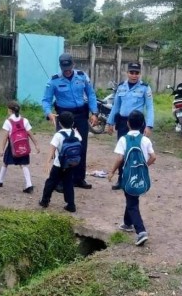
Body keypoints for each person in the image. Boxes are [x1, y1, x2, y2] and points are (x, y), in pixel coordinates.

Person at [41, 53, 98, 189]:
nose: (66, 70)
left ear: (73, 64)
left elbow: (91, 94)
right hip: (64, 117)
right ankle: (59, 181)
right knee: (62, 147)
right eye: (64, 67)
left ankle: (79, 178)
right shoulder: (54, 80)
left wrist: (94, 112)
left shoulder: (82, 76)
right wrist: (49, 113)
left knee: (81, 146)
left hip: (81, 115)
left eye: (69, 66)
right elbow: (46, 100)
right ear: (60, 66)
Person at [108, 111, 156, 246]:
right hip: (141, 175)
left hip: (127, 175)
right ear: (142, 125)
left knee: (132, 202)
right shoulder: (145, 140)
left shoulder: (123, 139)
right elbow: (153, 157)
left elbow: (119, 159)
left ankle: (141, 231)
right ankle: (127, 223)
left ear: (127, 123)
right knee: (132, 198)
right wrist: (144, 166)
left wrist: (112, 172)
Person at [106, 62, 155, 190]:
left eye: (136, 73)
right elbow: (116, 106)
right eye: (131, 73)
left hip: (138, 123)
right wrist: (109, 122)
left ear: (140, 73)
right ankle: (121, 179)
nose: (134, 75)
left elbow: (150, 108)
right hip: (123, 122)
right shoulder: (121, 87)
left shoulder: (145, 88)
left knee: (136, 151)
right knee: (123, 151)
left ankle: (137, 177)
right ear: (127, 73)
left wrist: (149, 126)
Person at [0, 100, 41, 193]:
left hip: (12, 146)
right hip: (23, 146)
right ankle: (29, 184)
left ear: (10, 110)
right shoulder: (24, 120)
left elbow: (5, 137)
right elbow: (30, 134)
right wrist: (36, 145)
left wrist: (1, 149)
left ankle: (0, 180)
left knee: (5, 162)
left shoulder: (8, 122)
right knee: (24, 165)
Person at [39, 111, 81, 213]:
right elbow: (79, 140)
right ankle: (71, 205)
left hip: (58, 164)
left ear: (60, 123)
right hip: (71, 164)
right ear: (72, 123)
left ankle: (45, 201)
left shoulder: (58, 135)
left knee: (51, 182)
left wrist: (47, 162)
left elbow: (52, 149)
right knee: (68, 183)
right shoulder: (75, 133)